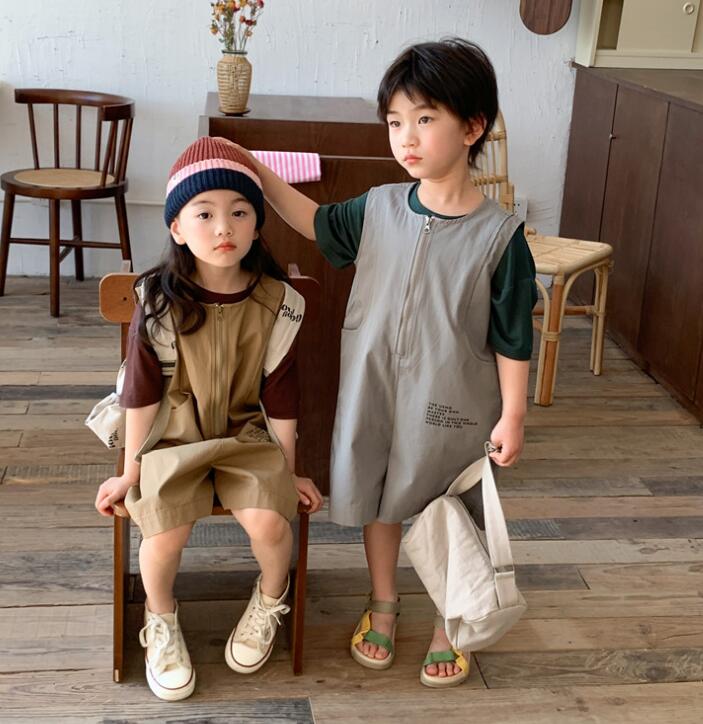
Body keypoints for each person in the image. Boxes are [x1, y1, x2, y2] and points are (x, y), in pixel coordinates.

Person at [232, 37, 537, 687]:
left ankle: (452, 619)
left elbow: (513, 337)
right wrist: (253, 169)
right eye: (395, 122)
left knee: (447, 508)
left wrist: (512, 414)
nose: (406, 138)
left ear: (472, 127)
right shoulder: (378, 207)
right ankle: (384, 602)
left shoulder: (500, 237)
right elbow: (315, 222)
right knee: (378, 497)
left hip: (453, 402)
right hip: (373, 388)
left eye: (424, 119)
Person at [94, 136, 323, 701]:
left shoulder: (277, 302)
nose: (224, 227)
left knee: (271, 524)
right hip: (173, 438)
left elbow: (283, 398)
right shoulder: (158, 300)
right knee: (163, 534)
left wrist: (289, 471)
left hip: (248, 435)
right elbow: (142, 395)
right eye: (204, 214)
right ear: (177, 228)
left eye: (240, 212)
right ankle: (161, 618)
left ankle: (270, 596)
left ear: (257, 225)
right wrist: (130, 471)